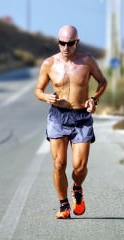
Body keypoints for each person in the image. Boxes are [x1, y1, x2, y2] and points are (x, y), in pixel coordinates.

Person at [34, 25, 107, 219]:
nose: (66, 47)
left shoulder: (87, 61)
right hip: (58, 116)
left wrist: (94, 99)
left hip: (81, 117)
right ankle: (64, 205)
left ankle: (77, 188)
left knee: (80, 167)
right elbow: (38, 90)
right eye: (62, 43)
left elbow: (103, 82)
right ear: (58, 42)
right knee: (59, 164)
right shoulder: (49, 63)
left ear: (77, 42)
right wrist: (45, 97)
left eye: (70, 43)